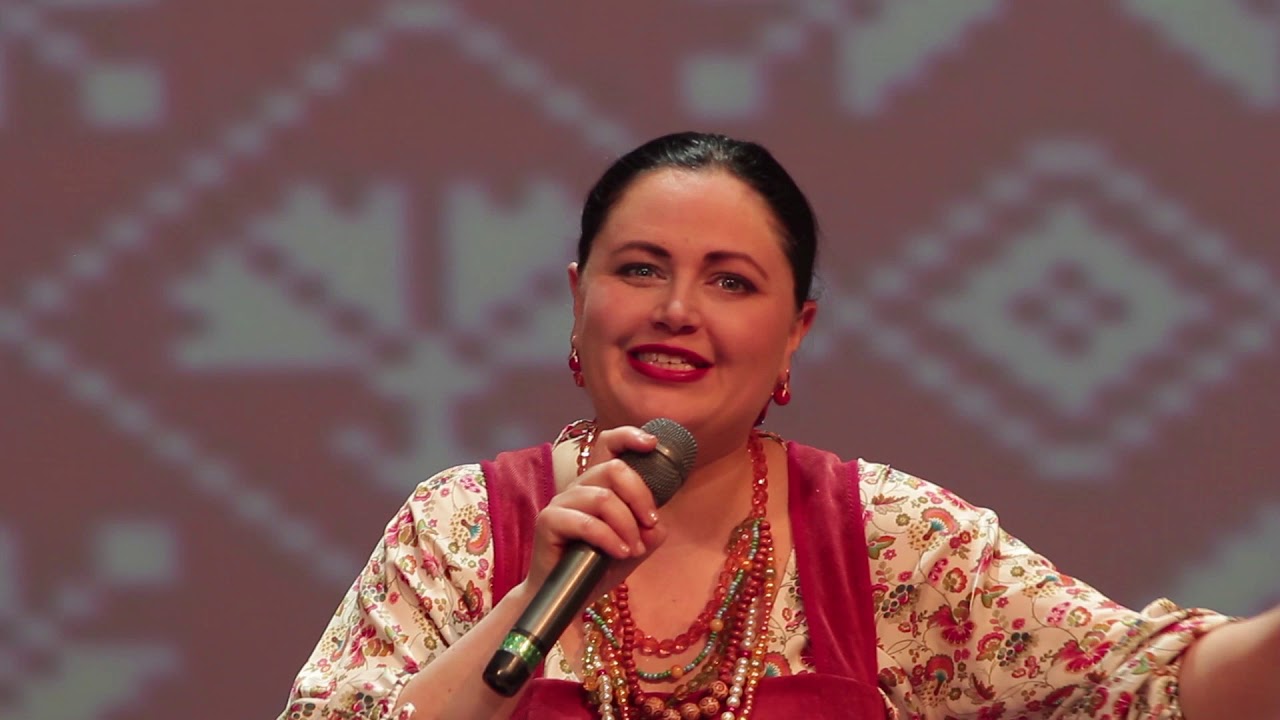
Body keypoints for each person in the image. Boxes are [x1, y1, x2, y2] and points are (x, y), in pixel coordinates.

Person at [278, 132, 1280, 720]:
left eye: (731, 282)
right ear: (578, 301)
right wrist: (528, 604)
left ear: (794, 333)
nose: (677, 309)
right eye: (640, 269)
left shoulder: (895, 540)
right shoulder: (459, 526)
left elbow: (1153, 688)